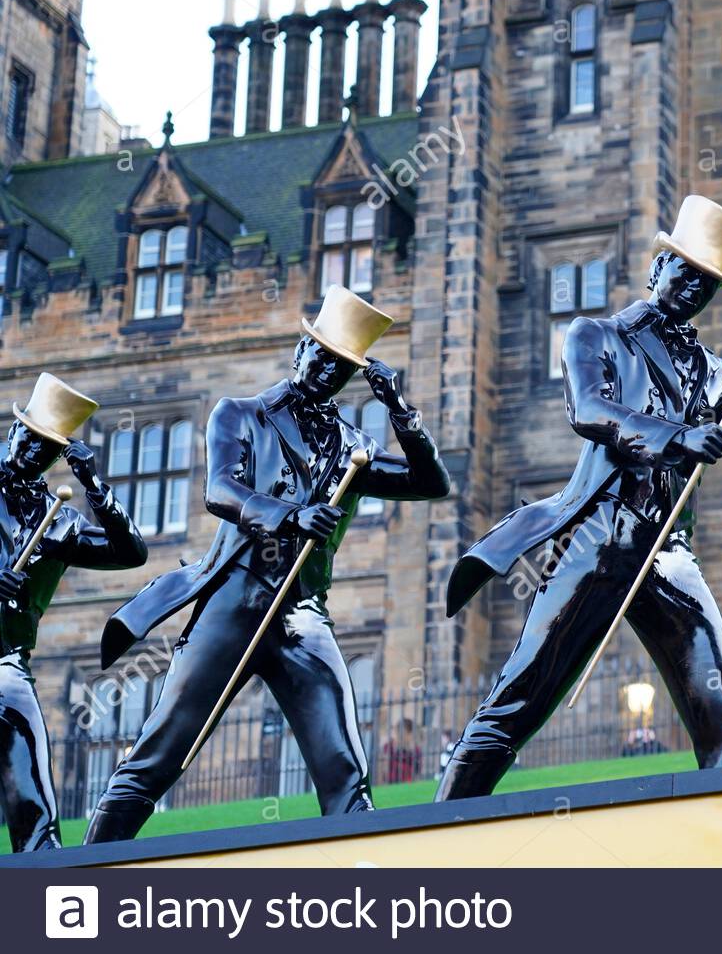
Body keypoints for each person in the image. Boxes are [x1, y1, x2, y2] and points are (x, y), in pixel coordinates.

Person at [435, 196, 722, 799]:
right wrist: (679, 436)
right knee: (520, 698)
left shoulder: (716, 373)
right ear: (657, 268)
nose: (694, 286)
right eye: (685, 270)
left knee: (721, 714)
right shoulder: (599, 335)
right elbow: (590, 412)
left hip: (669, 552)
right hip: (603, 538)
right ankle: (444, 824)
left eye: (709, 281)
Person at [83, 287, 451, 842]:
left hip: (302, 617)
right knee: (156, 759)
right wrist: (289, 516)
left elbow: (431, 484)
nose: (328, 370)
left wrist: (399, 410)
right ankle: (83, 875)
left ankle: (369, 888)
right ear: (301, 349)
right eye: (322, 355)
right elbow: (221, 489)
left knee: (346, 773)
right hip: (234, 601)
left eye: (343, 367)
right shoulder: (240, 413)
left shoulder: (353, 444)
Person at [0, 374, 148, 851]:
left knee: (34, 808)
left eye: (46, 447)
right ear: (11, 431)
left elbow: (129, 551)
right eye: (27, 437)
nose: (31, 450)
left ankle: (43, 899)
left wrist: (93, 483)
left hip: (6, 668)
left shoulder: (58, 520)